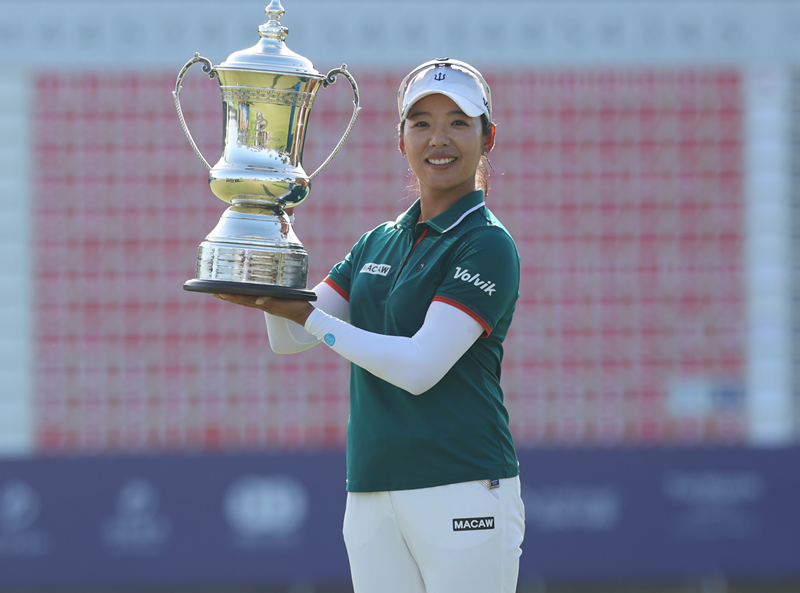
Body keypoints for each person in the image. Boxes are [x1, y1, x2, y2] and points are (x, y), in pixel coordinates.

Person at [215, 58, 524, 593]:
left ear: (487, 137)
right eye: (421, 123)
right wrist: (270, 254)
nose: (438, 138)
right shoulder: (378, 241)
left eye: (458, 122)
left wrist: (306, 315)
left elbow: (419, 367)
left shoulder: (486, 243)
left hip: (463, 482)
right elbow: (290, 338)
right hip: (371, 490)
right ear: (401, 139)